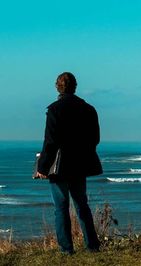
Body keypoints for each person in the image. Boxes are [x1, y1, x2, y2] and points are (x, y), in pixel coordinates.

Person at [36, 72, 102, 255]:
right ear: (75, 86)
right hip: (80, 163)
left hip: (60, 166)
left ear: (57, 87)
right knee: (82, 204)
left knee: (61, 207)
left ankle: (66, 249)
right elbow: (95, 139)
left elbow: (50, 141)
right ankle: (93, 246)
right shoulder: (89, 109)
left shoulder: (54, 109)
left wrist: (42, 167)